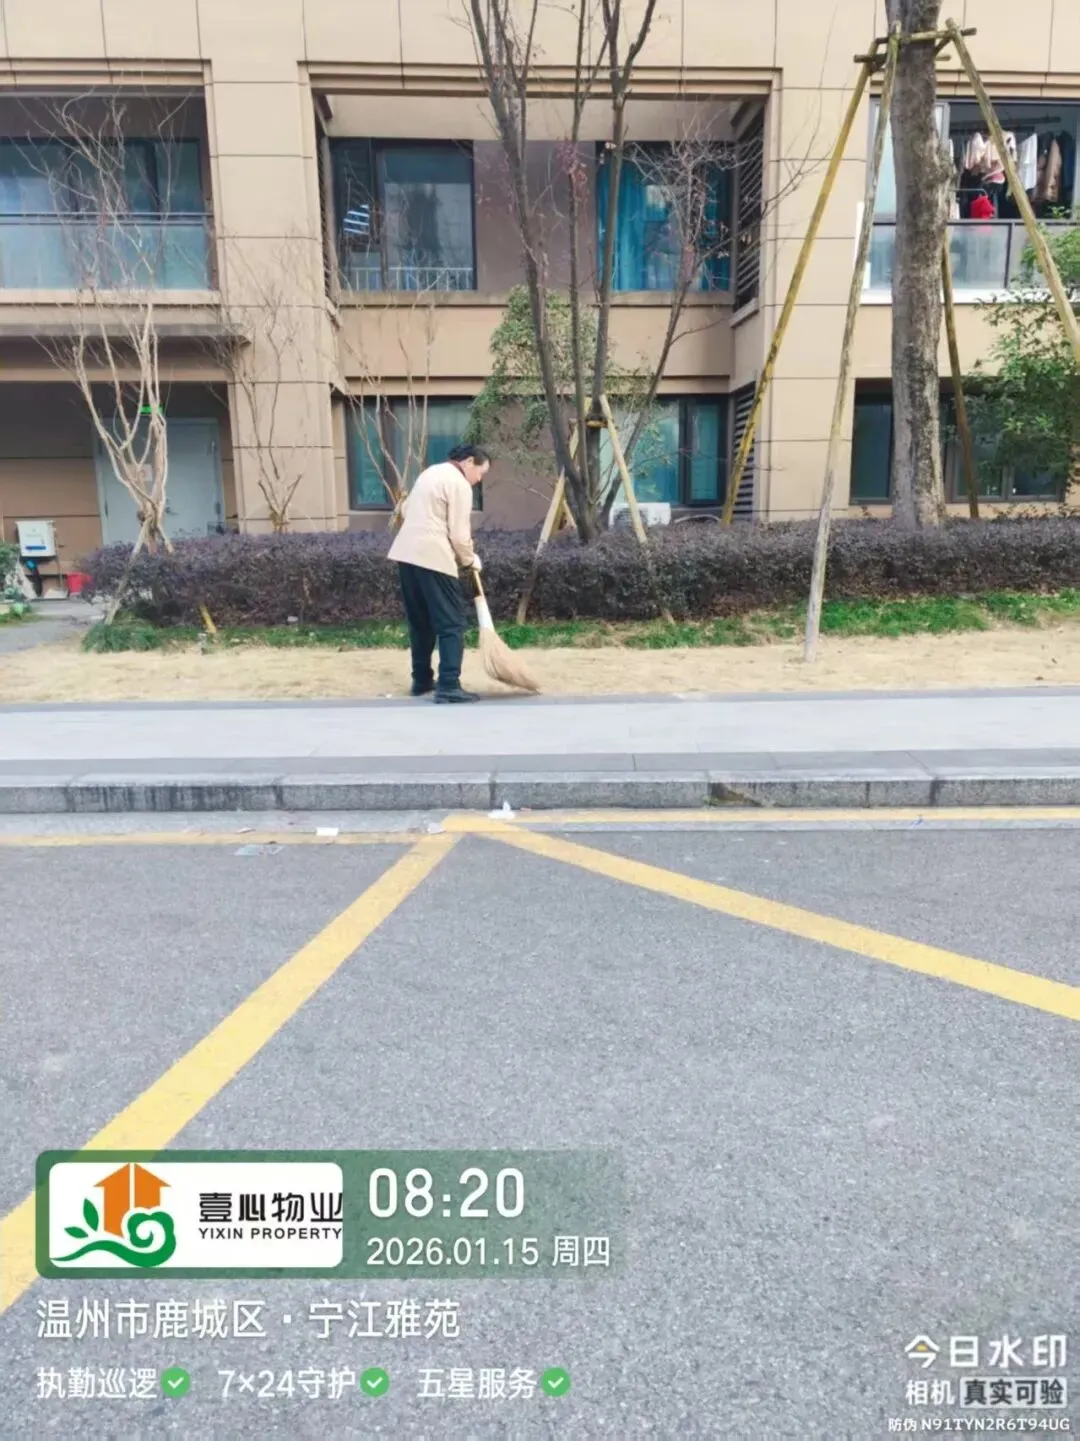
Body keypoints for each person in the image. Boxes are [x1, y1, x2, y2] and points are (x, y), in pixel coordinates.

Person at [387, 442, 489, 703]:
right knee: (451, 623)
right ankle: (448, 685)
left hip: (406, 554)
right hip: (434, 557)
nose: (479, 479)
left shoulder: (429, 473)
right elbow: (459, 534)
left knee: (420, 623)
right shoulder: (459, 483)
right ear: (469, 462)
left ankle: (421, 681)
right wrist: (470, 560)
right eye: (481, 473)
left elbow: (406, 509)